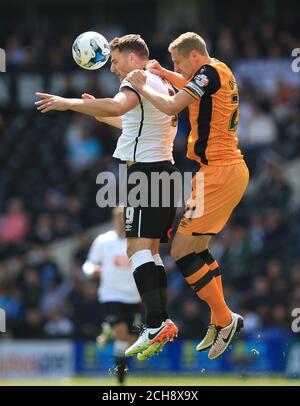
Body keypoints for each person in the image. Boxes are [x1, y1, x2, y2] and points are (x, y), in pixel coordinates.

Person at [35, 34, 179, 359]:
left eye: (114, 61)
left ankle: (156, 322)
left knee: (136, 249)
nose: (112, 68)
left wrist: (69, 102)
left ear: (131, 58)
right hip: (164, 171)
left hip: (146, 173)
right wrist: (95, 110)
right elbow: (127, 119)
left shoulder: (136, 77)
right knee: (150, 252)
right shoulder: (160, 82)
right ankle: (160, 321)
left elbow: (118, 105)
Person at [126, 32, 249, 360]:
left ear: (195, 57)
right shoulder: (218, 69)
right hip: (219, 171)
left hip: (220, 173)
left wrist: (142, 85)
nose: (177, 67)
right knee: (196, 248)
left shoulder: (207, 73)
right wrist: (166, 73)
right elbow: (193, 84)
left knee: (181, 251)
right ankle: (222, 317)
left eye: (179, 62)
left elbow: (171, 104)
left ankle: (225, 318)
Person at [82, 206, 141, 385]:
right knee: (122, 336)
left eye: (125, 218)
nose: (122, 221)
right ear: (114, 220)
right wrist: (92, 271)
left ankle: (108, 331)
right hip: (111, 296)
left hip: (134, 297)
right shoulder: (103, 241)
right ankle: (121, 382)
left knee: (131, 341)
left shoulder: (139, 241)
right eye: (119, 217)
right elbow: (89, 264)